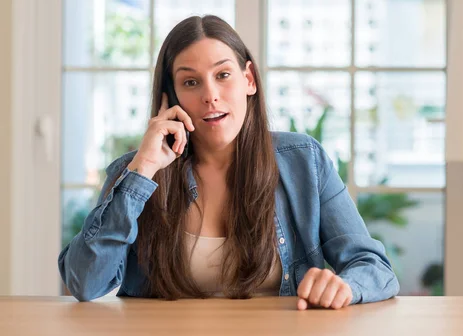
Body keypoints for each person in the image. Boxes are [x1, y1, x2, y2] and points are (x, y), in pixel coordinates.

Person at [58, 15, 399, 310]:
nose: (210, 95)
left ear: (248, 79)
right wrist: (143, 170)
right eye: (190, 82)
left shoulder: (303, 160)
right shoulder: (136, 172)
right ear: (171, 97)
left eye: (223, 75)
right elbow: (85, 282)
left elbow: (373, 266)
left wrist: (346, 287)